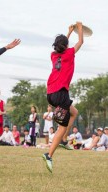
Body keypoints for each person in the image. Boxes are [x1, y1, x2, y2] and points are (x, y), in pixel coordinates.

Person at [43, 22, 83, 173]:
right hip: (61, 94)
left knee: (74, 112)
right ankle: (49, 155)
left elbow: (62, 46)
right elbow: (81, 42)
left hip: (51, 94)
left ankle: (64, 140)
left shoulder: (53, 55)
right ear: (66, 46)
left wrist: (68, 33)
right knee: (62, 127)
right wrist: (79, 29)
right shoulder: (69, 52)